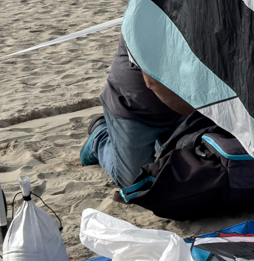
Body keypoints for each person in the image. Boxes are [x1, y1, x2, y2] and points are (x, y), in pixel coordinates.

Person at [81, 37, 195, 188]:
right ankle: (100, 136)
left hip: (181, 106)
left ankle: (157, 144)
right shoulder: (145, 21)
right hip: (133, 110)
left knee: (194, 172)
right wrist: (194, 114)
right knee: (137, 184)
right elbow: (153, 82)